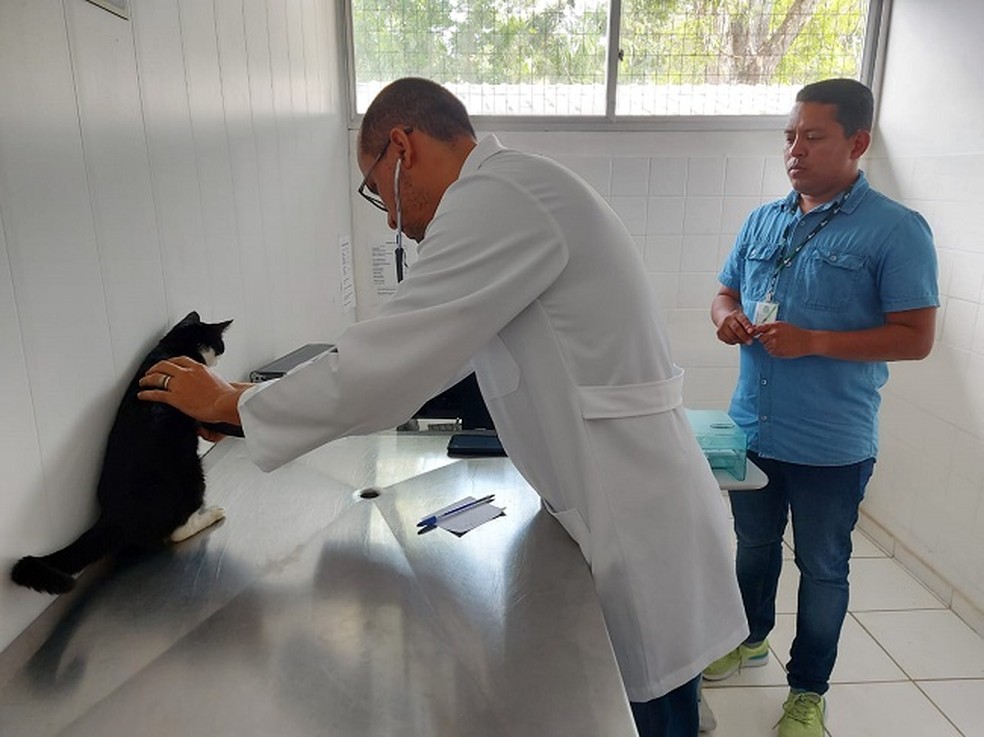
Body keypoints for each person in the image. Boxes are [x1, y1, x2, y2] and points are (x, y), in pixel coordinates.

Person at [138, 77, 747, 737]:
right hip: (617, 512)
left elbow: (392, 359)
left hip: (637, 526)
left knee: (655, 718)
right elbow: (424, 364)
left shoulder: (498, 197)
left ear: (402, 145)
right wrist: (256, 400)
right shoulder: (512, 196)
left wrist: (231, 402)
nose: (393, 218)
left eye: (378, 190)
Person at [707, 78, 938, 737]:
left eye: (813, 137)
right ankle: (749, 635)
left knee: (824, 565)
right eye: (789, 136)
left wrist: (817, 342)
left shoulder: (896, 229)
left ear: (857, 142)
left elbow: (916, 337)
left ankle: (808, 690)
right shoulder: (764, 220)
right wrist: (727, 318)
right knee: (752, 546)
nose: (795, 150)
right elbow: (724, 291)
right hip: (751, 426)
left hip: (832, 441)